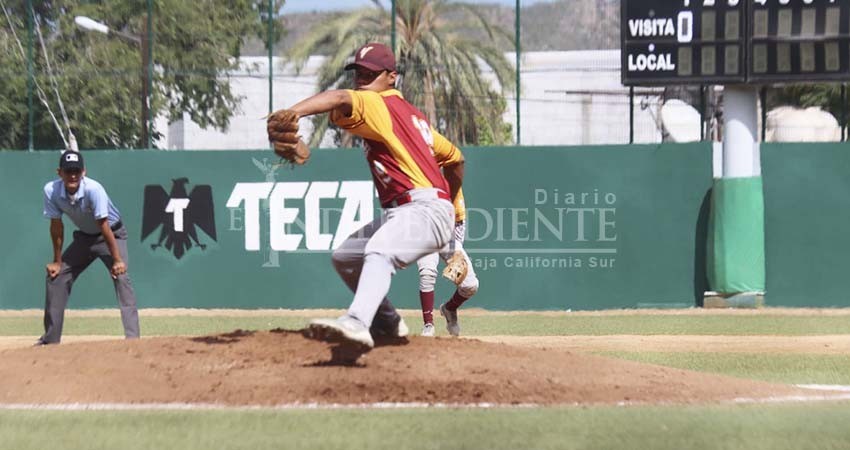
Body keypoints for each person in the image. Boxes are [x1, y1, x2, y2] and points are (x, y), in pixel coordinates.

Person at [279, 42, 468, 357]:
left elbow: (340, 98)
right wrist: (450, 200)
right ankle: (388, 322)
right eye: (358, 72)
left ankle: (357, 321)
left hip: (423, 208)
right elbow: (456, 160)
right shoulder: (412, 117)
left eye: (370, 73)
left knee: (379, 250)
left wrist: (292, 113)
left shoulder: (380, 104)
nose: (362, 78)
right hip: (415, 210)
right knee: (347, 257)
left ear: (391, 77)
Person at [36, 150, 140, 345]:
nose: (73, 175)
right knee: (56, 277)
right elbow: (56, 227)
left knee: (122, 277)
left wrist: (117, 260)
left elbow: (104, 225)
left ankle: (133, 340)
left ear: (84, 172)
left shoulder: (94, 189)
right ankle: (50, 341)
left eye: (76, 171)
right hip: (85, 238)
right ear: (60, 173)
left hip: (112, 234)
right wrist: (57, 262)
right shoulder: (51, 191)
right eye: (68, 171)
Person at [417, 185, 479, 337]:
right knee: (427, 273)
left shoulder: (452, 180)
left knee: (470, 285)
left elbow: (459, 221)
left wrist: (457, 251)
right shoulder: (419, 175)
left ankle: (449, 308)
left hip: (449, 235)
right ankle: (428, 325)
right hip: (425, 230)